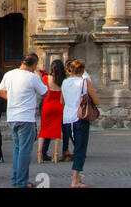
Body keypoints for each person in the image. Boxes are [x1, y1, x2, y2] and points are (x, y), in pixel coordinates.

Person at [0, 53, 47, 189]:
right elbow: (45, 92)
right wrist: (40, 77)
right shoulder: (32, 77)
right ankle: (21, 181)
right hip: (26, 117)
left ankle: (16, 178)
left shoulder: (9, 74)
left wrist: (13, 99)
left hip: (12, 116)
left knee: (17, 148)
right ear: (34, 65)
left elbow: (0, 92)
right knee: (25, 150)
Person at [61, 59, 99, 188]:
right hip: (80, 117)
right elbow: (96, 100)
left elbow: (62, 101)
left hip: (67, 119)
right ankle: (75, 180)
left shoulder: (65, 82)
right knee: (80, 149)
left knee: (77, 147)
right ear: (82, 70)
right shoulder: (84, 82)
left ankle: (78, 178)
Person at [39, 59, 65, 164]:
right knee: (57, 131)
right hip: (58, 107)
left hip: (47, 106)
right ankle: (55, 154)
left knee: (43, 130)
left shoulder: (46, 78)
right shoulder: (63, 80)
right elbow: (62, 99)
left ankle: (39, 153)